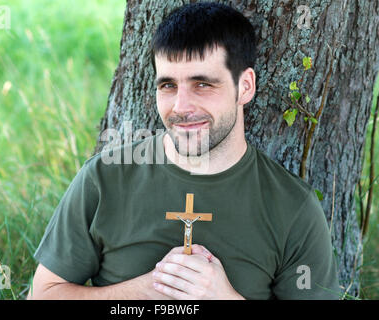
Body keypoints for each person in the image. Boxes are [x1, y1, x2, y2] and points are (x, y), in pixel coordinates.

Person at [27, 2, 341, 300]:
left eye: (202, 84)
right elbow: (43, 293)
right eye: (168, 85)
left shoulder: (292, 208)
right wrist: (143, 291)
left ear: (245, 86)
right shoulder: (104, 179)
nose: (181, 107)